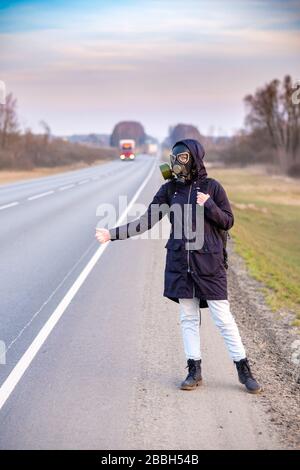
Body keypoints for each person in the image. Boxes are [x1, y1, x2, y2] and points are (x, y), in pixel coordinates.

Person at [96, 139, 261, 394]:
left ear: (194, 159)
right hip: (180, 264)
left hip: (210, 264)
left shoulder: (212, 187)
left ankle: (244, 370)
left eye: (182, 157)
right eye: (174, 157)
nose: (175, 163)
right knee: (187, 317)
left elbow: (228, 222)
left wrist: (209, 205)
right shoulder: (169, 190)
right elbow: (145, 221)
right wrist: (112, 234)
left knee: (223, 318)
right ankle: (194, 371)